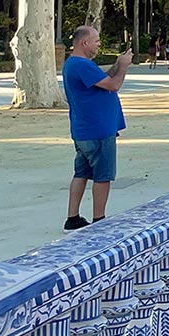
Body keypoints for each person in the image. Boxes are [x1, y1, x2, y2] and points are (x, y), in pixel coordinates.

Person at [62, 26, 131, 229]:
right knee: (103, 176)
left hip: (84, 129)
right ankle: (99, 220)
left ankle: (72, 217)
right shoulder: (82, 65)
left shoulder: (75, 64)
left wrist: (118, 63)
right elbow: (113, 85)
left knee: (81, 172)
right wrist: (125, 66)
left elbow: (103, 80)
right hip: (98, 130)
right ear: (84, 43)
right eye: (97, 41)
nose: (99, 45)